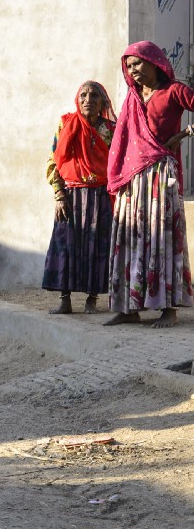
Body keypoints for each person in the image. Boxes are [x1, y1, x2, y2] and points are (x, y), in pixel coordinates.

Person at [105, 41, 194, 328]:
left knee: (161, 236)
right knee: (131, 237)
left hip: (159, 174)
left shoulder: (175, 91)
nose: (133, 71)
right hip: (133, 178)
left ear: (154, 62)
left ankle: (168, 308)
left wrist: (183, 134)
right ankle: (129, 307)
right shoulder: (132, 98)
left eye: (138, 63)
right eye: (128, 66)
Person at [42, 81, 117, 314]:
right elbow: (54, 160)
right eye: (83, 95)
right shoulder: (66, 124)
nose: (88, 99)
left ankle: (91, 300)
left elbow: (118, 163)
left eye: (94, 95)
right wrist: (58, 195)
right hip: (70, 196)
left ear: (103, 102)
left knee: (97, 246)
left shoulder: (111, 129)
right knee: (66, 244)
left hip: (100, 196)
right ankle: (65, 300)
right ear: (77, 99)